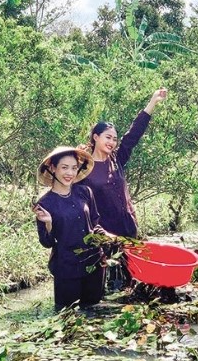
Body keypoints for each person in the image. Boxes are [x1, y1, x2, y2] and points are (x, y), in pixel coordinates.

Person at [79, 88, 167, 289]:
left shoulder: (116, 159)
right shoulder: (83, 168)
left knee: (130, 278)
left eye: (114, 139)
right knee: (109, 280)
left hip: (128, 226)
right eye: (107, 137)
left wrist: (152, 102)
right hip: (105, 232)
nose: (112, 142)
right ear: (95, 137)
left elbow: (134, 134)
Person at [33, 146, 113, 311]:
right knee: (66, 318)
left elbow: (94, 223)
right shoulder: (45, 203)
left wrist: (108, 237)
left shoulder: (84, 192)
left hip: (94, 263)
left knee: (94, 314)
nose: (70, 173)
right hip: (66, 267)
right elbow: (47, 242)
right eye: (64, 167)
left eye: (74, 168)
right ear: (53, 168)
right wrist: (48, 223)